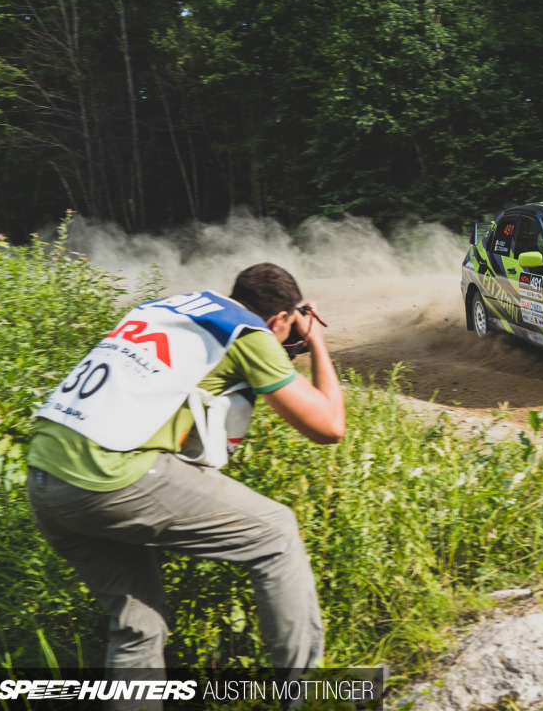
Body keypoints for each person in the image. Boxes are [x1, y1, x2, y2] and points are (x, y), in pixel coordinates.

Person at [26, 263, 344, 705]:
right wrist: (316, 341)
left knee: (140, 627)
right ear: (279, 320)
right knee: (277, 533)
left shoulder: (164, 309)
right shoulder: (249, 331)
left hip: (46, 478)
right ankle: (309, 696)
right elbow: (329, 427)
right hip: (111, 475)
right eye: (288, 326)